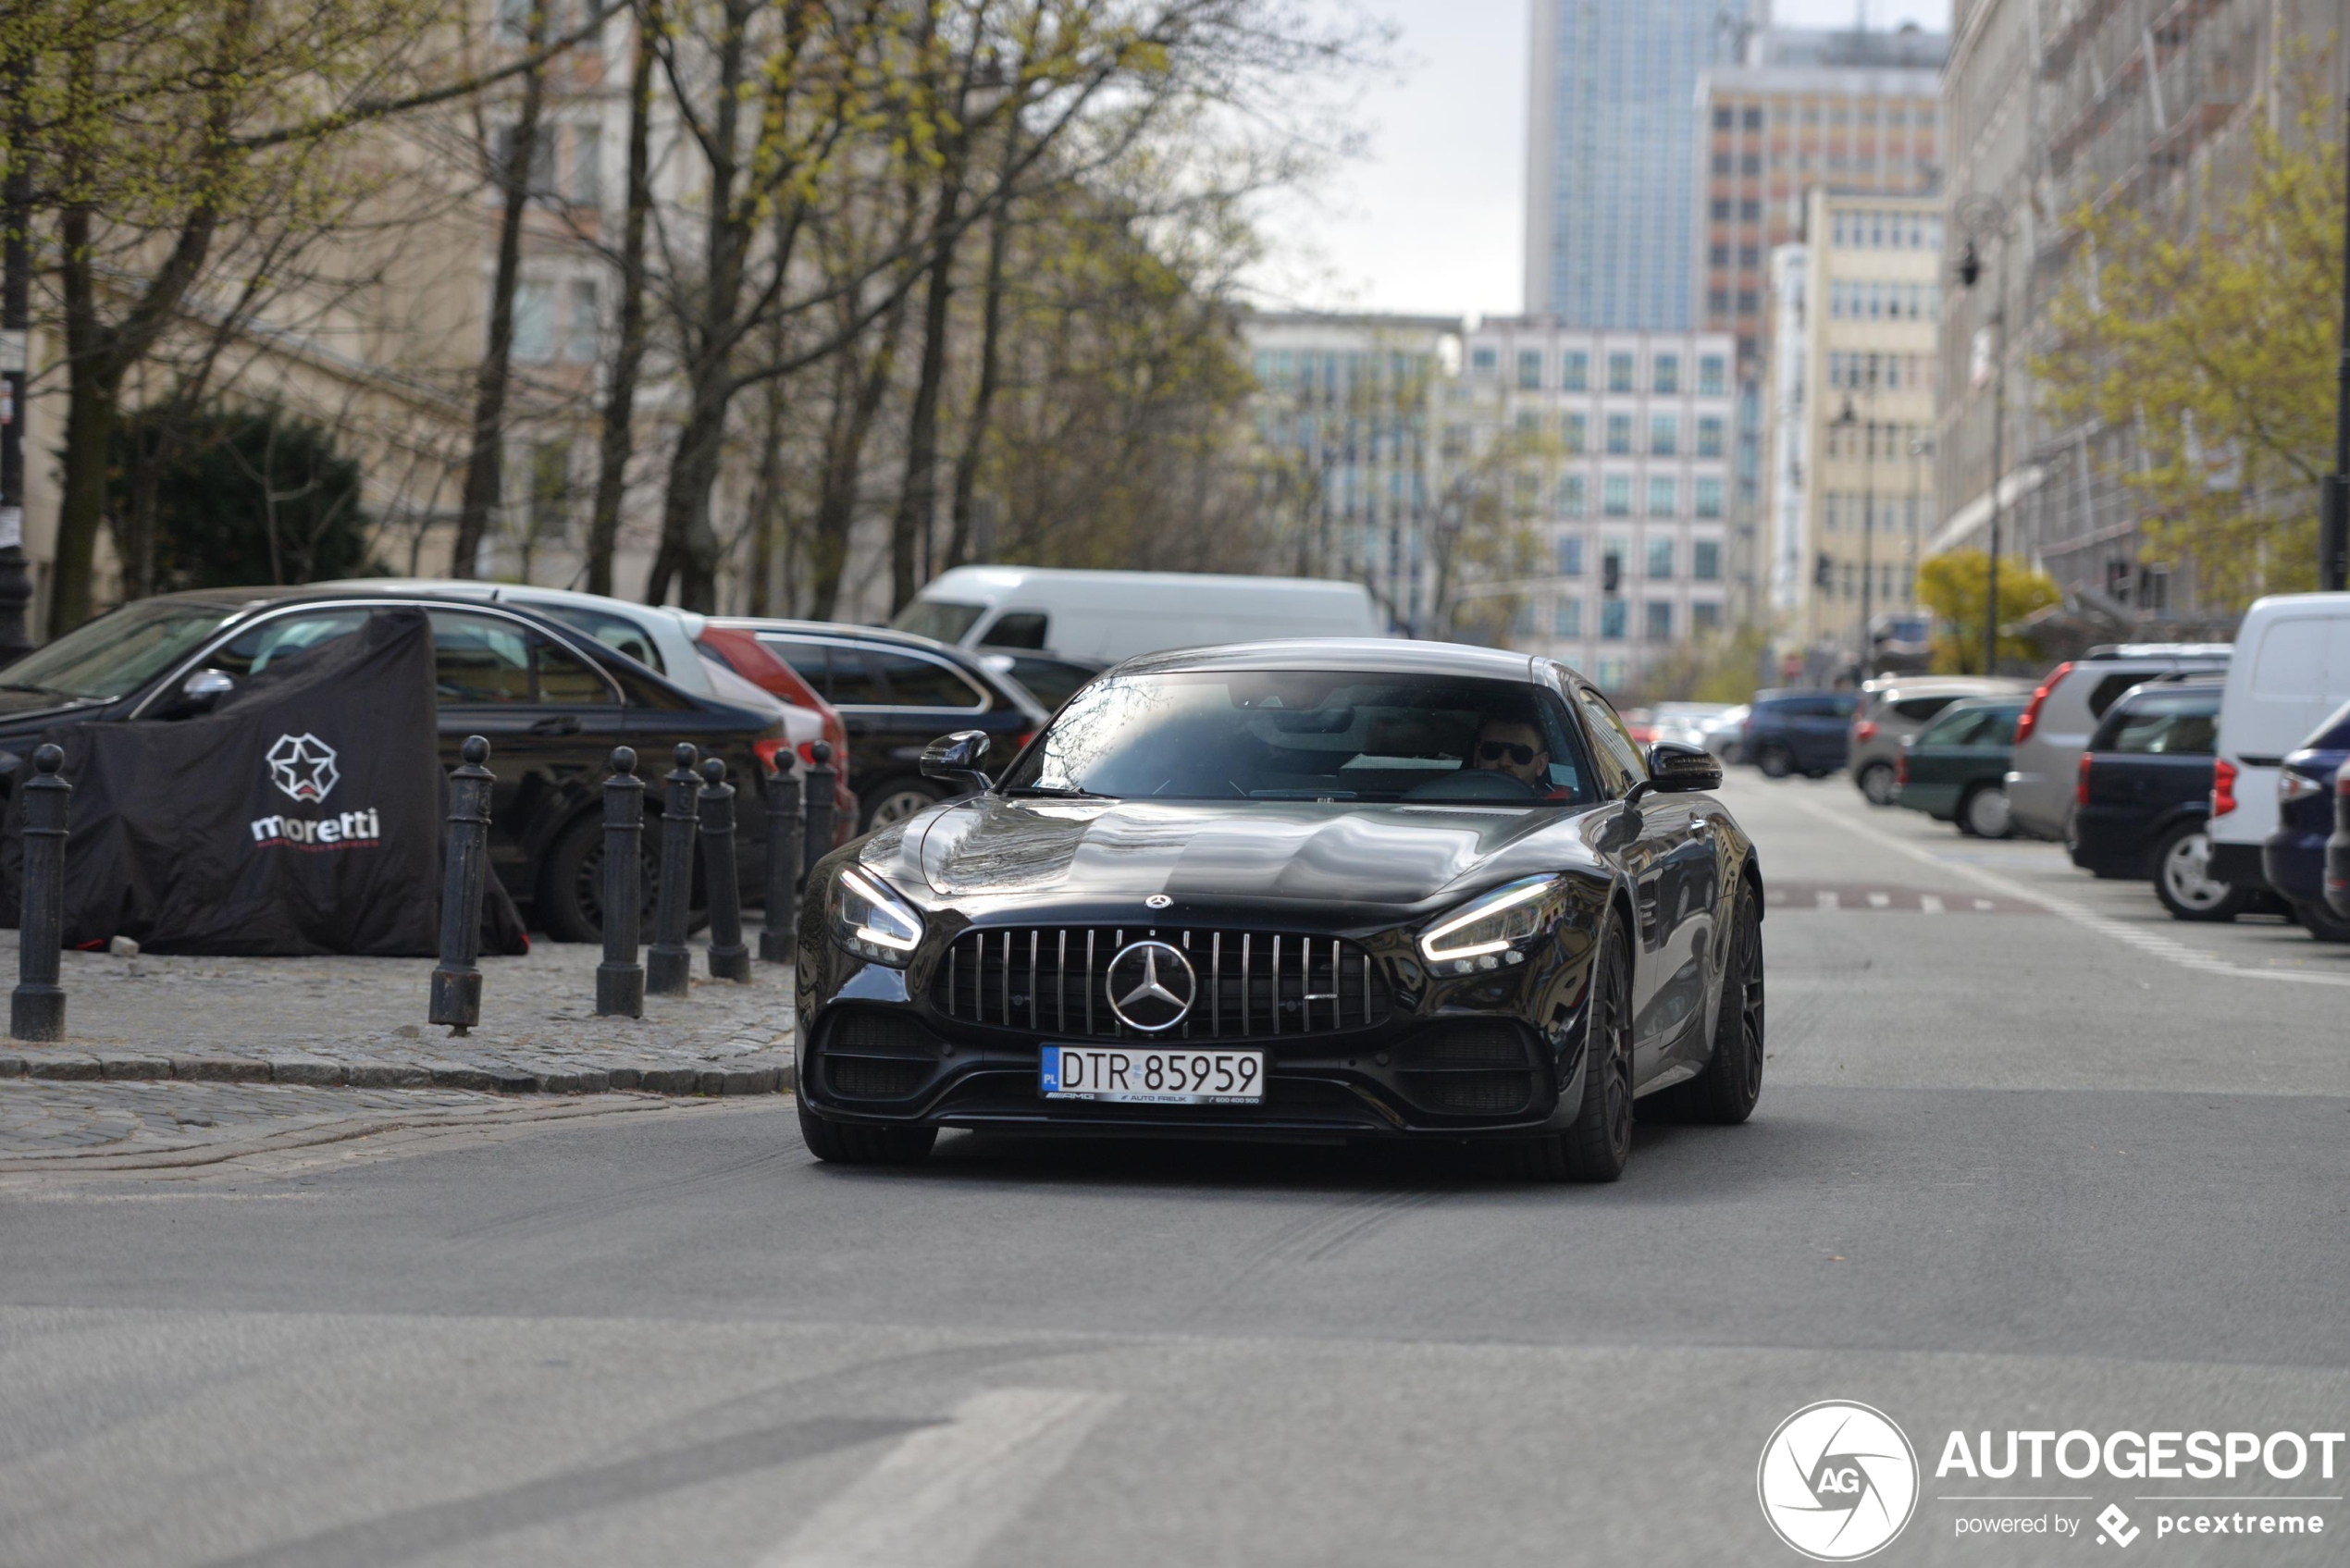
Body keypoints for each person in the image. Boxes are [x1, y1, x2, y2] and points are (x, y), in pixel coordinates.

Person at [1472, 716, 1552, 789]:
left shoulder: (1556, 803)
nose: (1504, 762)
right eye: (1492, 751)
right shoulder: (1459, 798)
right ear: (1476, 755)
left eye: (1520, 754)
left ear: (1541, 764)